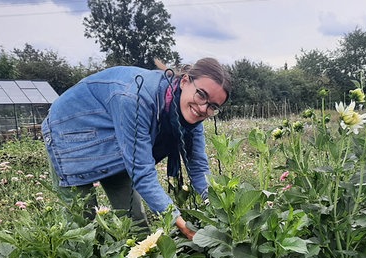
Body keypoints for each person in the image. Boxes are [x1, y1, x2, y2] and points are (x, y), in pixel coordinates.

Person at [41, 57, 232, 239]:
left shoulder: (191, 120)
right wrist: (183, 226)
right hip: (71, 131)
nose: (202, 108)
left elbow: (198, 169)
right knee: (82, 224)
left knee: (135, 221)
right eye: (201, 95)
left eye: (212, 106)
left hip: (116, 137)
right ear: (184, 81)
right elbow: (142, 171)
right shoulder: (136, 98)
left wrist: (218, 208)